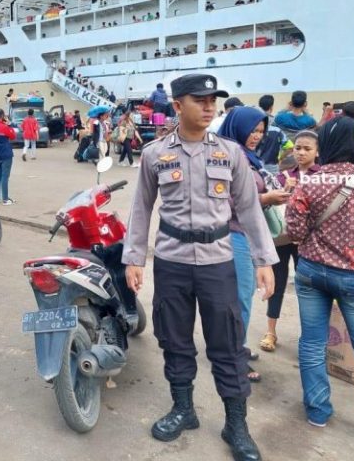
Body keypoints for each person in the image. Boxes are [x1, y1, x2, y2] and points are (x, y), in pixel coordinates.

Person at [123, 74, 277, 461]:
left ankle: (236, 423)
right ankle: (183, 409)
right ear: (178, 105)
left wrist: (264, 259)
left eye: (213, 100)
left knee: (227, 344)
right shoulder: (155, 154)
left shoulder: (229, 152)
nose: (209, 107)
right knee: (174, 339)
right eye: (199, 99)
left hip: (218, 262)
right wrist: (134, 258)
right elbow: (141, 208)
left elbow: (248, 207)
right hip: (172, 262)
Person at [285, 117, 354, 456]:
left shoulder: (308, 183)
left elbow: (295, 232)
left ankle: (318, 412)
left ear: (326, 146)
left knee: (312, 344)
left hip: (311, 273)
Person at [218, 106, 291, 383]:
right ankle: (234, 357)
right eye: (252, 131)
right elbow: (230, 203)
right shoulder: (228, 158)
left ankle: (235, 347)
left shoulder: (247, 157)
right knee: (242, 298)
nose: (257, 137)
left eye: (261, 132)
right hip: (235, 234)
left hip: (246, 233)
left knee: (241, 297)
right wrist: (267, 198)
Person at [259, 130, 320, 353]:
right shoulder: (284, 175)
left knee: (309, 288)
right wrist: (285, 190)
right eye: (298, 148)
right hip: (283, 238)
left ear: (317, 151)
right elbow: (273, 205)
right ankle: (271, 331)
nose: (301, 152)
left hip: (308, 241)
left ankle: (310, 337)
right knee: (277, 282)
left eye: (307, 148)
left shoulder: (322, 175)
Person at [256, 94, 292, 175]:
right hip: (272, 168)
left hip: (256, 167)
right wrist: (280, 158)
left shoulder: (253, 128)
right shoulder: (277, 130)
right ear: (271, 108)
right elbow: (290, 147)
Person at [0, 109, 16, 205]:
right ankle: (5, 199)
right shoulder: (5, 127)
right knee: (5, 177)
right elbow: (13, 136)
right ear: (2, 116)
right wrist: (9, 125)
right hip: (6, 154)